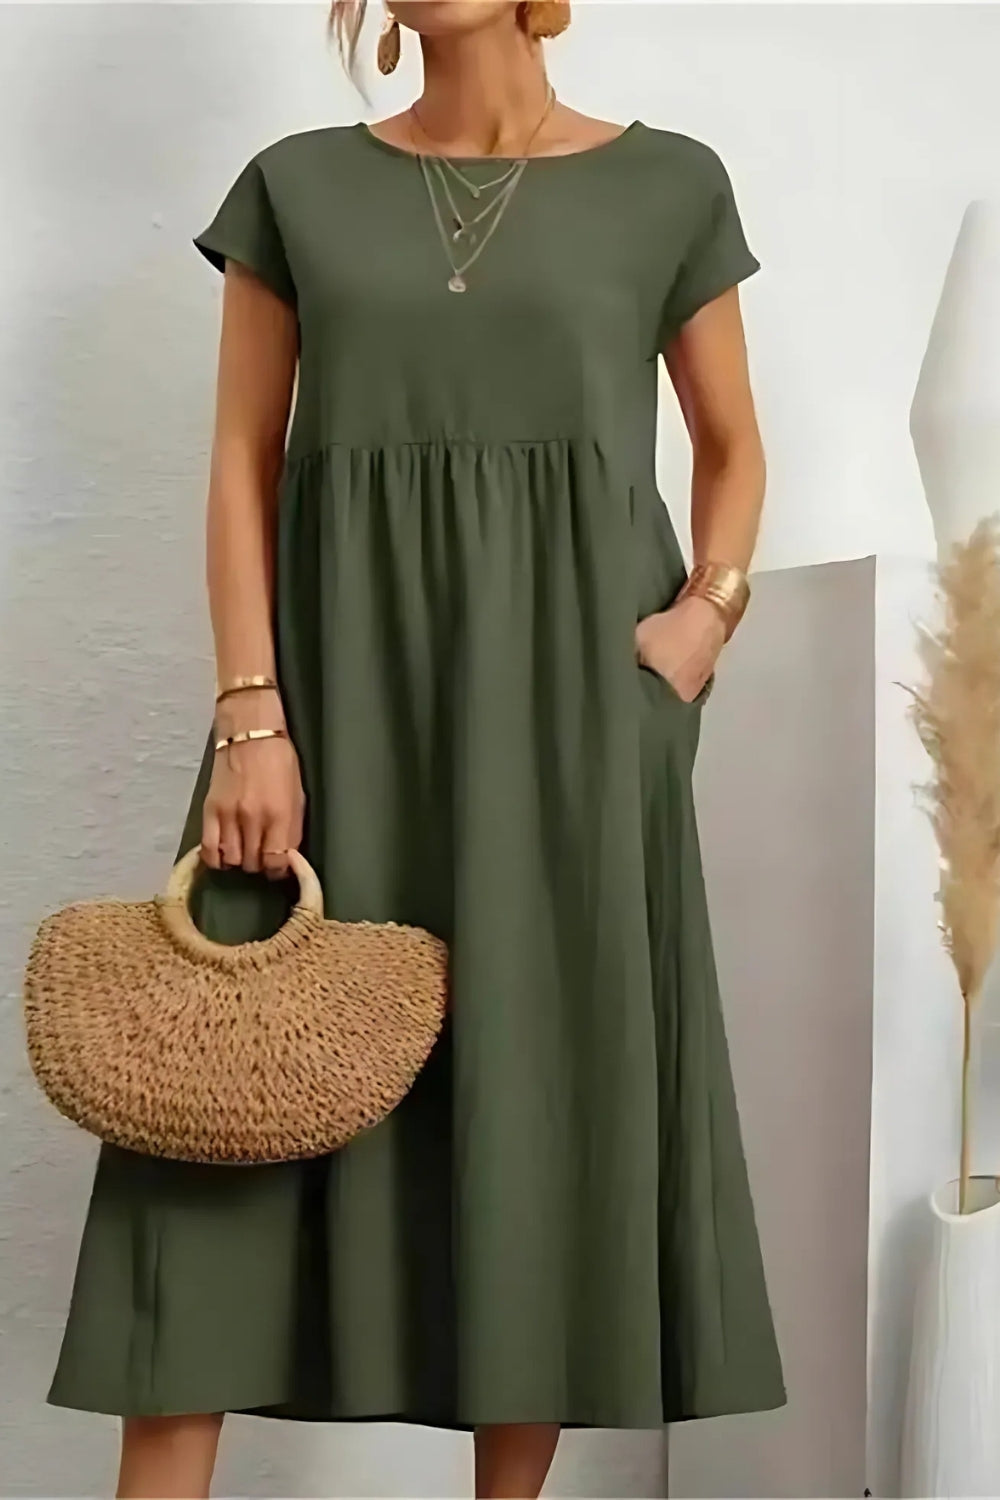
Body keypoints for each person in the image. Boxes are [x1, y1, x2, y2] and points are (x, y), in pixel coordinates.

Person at [47, 1, 785, 1495]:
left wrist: (706, 616)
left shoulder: (671, 185)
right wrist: (250, 712)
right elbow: (240, 461)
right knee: (219, 1097)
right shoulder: (297, 187)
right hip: (329, 695)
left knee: (543, 1080)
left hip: (576, 713)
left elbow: (732, 443)